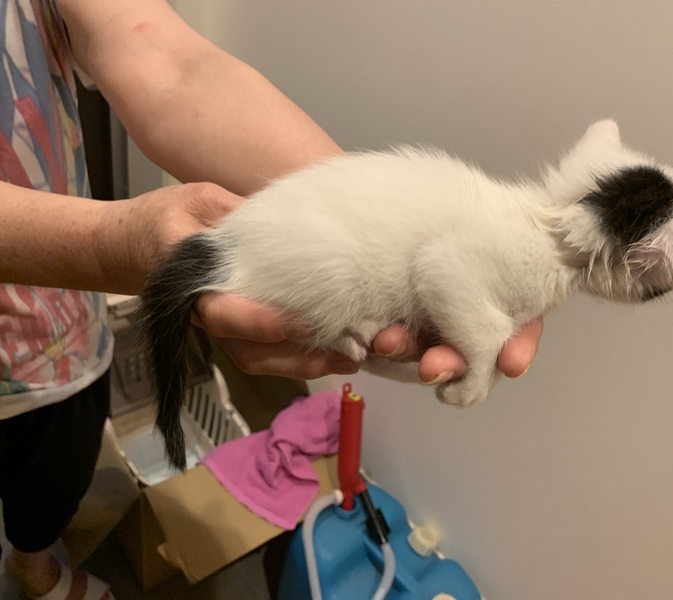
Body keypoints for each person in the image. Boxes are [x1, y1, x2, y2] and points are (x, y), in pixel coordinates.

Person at [0, 0, 544, 597]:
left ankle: (33, 562)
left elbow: (166, 62)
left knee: (50, 479)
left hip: (62, 345)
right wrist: (110, 247)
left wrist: (363, 205)